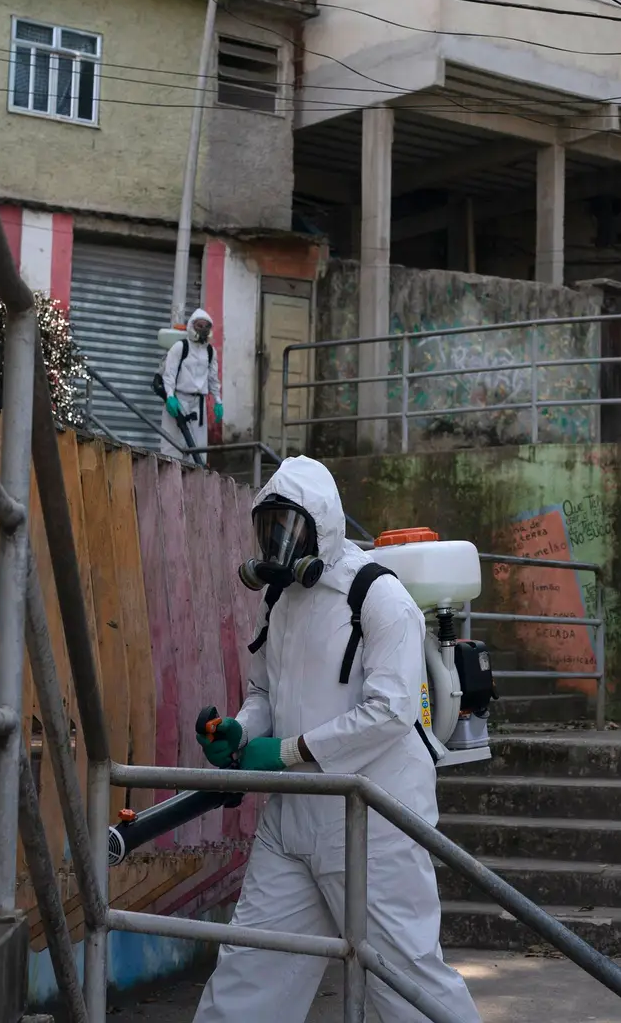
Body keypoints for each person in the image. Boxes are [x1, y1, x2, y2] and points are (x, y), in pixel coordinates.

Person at [192, 457, 481, 1023]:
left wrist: (287, 750)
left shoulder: (378, 596)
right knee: (249, 974)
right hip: (294, 819)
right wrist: (240, 730)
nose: (278, 543)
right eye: (268, 529)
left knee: (408, 985)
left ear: (322, 525)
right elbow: (264, 695)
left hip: (374, 822)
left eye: (289, 528)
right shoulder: (277, 601)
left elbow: (393, 711)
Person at [160, 309, 222, 465]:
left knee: (197, 449)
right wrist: (170, 396)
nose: (202, 329)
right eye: (199, 325)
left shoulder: (210, 351)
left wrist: (218, 401)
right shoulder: (180, 347)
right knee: (172, 446)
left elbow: (213, 378)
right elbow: (169, 374)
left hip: (198, 405)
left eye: (206, 326)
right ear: (191, 326)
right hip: (179, 400)